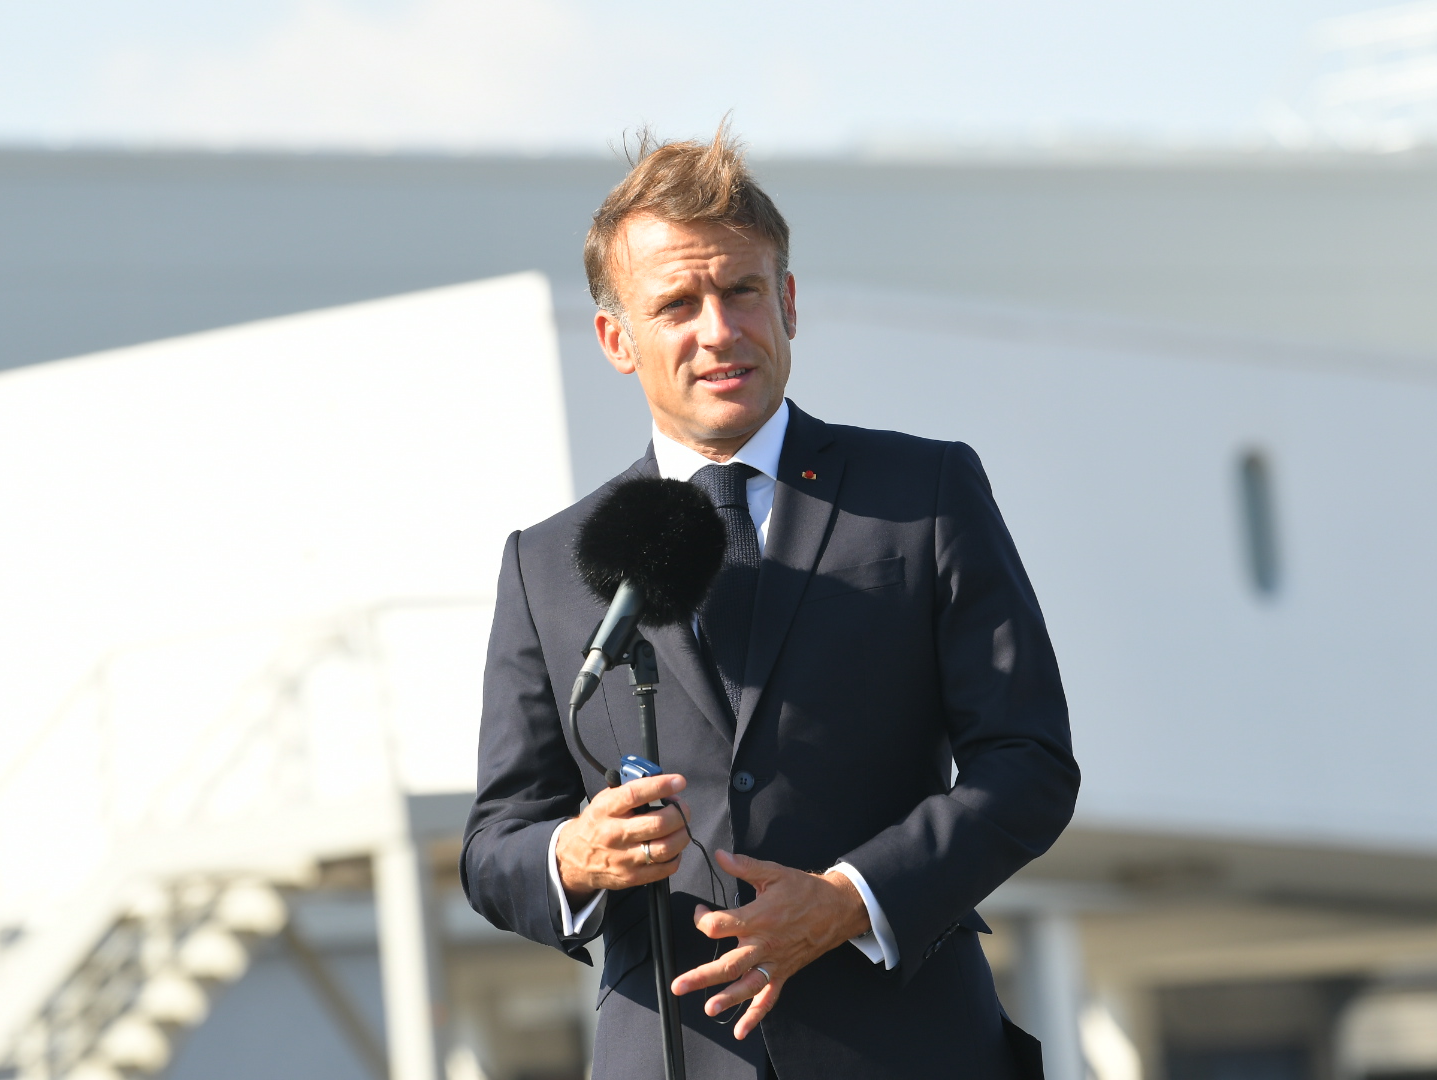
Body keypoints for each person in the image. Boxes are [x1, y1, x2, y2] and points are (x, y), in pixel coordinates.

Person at [461, 125, 1079, 1080]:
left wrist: (849, 898)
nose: (719, 330)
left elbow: (1028, 762)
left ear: (786, 300)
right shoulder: (544, 565)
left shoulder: (926, 492)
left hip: (908, 1046)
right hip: (670, 1054)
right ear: (616, 339)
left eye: (740, 290)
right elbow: (496, 843)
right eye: (676, 304)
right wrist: (576, 855)